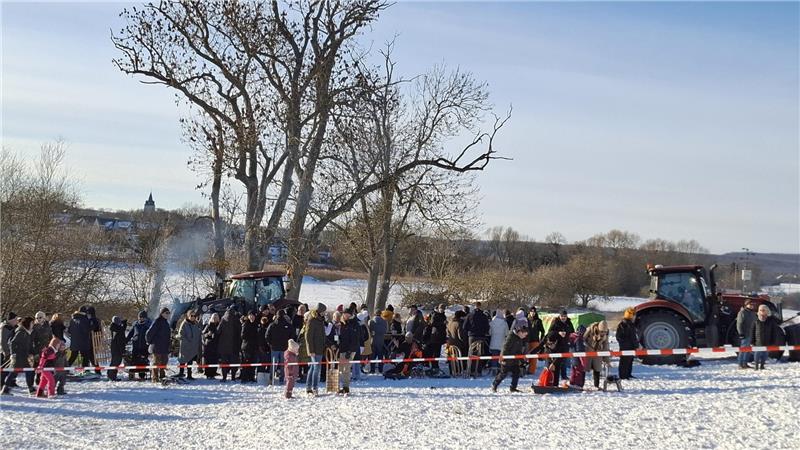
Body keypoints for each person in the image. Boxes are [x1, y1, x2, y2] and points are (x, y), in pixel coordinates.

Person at [491, 324, 528, 393]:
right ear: (520, 332)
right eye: (524, 335)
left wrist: (522, 361)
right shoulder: (511, 337)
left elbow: (519, 351)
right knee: (503, 374)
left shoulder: (519, 339)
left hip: (514, 360)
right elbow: (505, 347)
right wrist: (503, 358)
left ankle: (513, 388)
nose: (525, 336)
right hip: (507, 359)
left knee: (516, 372)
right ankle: (494, 385)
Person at [304, 303, 327, 396]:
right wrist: (311, 350)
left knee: (313, 368)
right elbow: (308, 336)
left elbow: (322, 335)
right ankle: (314, 388)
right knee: (316, 369)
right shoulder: (312, 320)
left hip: (320, 348)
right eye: (323, 311)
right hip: (314, 349)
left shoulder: (320, 321)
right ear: (320, 311)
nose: (324, 313)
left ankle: (308, 387)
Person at [10, 317, 36, 395]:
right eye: (32, 323)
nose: (33, 324)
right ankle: (5, 388)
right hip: (19, 356)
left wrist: (33, 353)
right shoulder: (21, 332)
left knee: (29, 371)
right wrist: (13, 354)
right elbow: (13, 342)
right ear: (28, 323)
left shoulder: (28, 332)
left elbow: (29, 345)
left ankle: (31, 388)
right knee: (14, 373)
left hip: (25, 356)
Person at [266, 309, 293, 384]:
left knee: (273, 364)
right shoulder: (288, 325)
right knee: (283, 364)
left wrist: (270, 344)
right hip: (284, 348)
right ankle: (281, 379)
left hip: (275, 348)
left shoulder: (272, 325)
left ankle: (271, 379)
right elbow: (292, 336)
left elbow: (267, 335)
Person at [145, 307, 172, 383]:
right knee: (156, 362)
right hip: (157, 346)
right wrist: (149, 341)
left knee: (164, 362)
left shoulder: (166, 323)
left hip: (164, 347)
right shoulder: (157, 321)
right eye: (166, 313)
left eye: (168, 313)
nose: (168, 314)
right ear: (162, 313)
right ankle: (155, 378)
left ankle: (162, 376)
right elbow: (149, 332)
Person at [464, 302, 490, 377]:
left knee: (472, 353)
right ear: (480, 306)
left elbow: (464, 326)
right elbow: (487, 327)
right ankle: (478, 370)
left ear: (474, 307)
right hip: (481, 336)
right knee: (480, 353)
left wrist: (470, 330)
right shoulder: (484, 316)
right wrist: (484, 332)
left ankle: (472, 370)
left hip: (472, 336)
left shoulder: (469, 315)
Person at [547, 310, 574, 381]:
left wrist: (569, 335)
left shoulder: (569, 323)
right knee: (556, 362)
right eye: (562, 316)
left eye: (565, 316)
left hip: (565, 344)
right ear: (559, 316)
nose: (563, 318)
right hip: (556, 346)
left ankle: (564, 376)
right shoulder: (555, 322)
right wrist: (558, 333)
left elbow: (572, 332)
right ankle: (553, 377)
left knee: (564, 361)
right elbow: (549, 333)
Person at [752, 304, 781, 370]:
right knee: (757, 353)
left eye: (763, 310)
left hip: (767, 340)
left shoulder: (770, 320)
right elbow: (752, 331)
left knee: (765, 354)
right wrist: (752, 341)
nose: (762, 311)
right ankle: (756, 366)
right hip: (758, 341)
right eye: (760, 310)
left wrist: (773, 340)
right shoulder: (755, 320)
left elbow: (774, 331)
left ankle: (762, 365)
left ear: (766, 311)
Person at [584, 320, 611, 389]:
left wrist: (607, 360)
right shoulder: (590, 329)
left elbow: (606, 345)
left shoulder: (606, 333)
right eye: (601, 331)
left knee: (597, 368)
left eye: (604, 332)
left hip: (598, 351)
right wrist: (588, 347)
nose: (603, 333)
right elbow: (583, 339)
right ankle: (581, 384)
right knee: (584, 368)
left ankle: (596, 385)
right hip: (588, 351)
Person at [217, 308, 241, 382]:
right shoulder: (236, 320)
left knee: (224, 363)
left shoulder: (223, 320)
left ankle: (224, 377)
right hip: (234, 345)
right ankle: (233, 377)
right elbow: (240, 331)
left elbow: (218, 331)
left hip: (223, 346)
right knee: (234, 362)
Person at [126, 310, 151, 380]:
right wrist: (126, 340)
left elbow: (150, 335)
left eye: (142, 317)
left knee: (143, 361)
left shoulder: (148, 325)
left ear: (145, 318)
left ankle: (142, 375)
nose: (140, 318)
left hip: (144, 346)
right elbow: (130, 334)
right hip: (135, 346)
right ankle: (132, 374)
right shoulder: (135, 325)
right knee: (134, 361)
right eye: (139, 317)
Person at [177, 311, 202, 380]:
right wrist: (187, 341)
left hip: (193, 346)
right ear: (188, 316)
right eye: (191, 316)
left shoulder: (196, 324)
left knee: (190, 361)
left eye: (194, 316)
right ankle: (181, 373)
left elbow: (198, 333)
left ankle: (189, 375)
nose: (193, 317)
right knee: (183, 360)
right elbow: (180, 335)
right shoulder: (184, 324)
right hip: (185, 346)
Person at [616, 308, 639, 379]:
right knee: (624, 362)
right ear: (631, 315)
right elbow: (632, 337)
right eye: (634, 315)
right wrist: (635, 345)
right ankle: (623, 376)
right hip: (626, 347)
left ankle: (628, 374)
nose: (635, 316)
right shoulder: (627, 325)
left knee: (629, 361)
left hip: (628, 346)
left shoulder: (626, 324)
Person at [1, 312, 19, 395]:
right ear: (10, 320)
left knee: (11, 369)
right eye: (15, 319)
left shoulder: (15, 327)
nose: (16, 321)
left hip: (13, 352)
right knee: (4, 369)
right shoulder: (5, 328)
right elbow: (3, 341)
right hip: (5, 352)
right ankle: (1, 385)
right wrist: (6, 352)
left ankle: (10, 382)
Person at [736, 300, 757, 369]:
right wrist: (741, 333)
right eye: (750, 304)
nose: (751, 306)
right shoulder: (742, 312)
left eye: (752, 304)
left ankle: (745, 363)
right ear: (746, 305)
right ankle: (740, 364)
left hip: (751, 334)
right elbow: (739, 324)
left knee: (748, 349)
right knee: (743, 349)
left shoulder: (753, 313)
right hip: (745, 333)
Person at [108, 316, 127, 381]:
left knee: (115, 362)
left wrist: (124, 324)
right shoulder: (117, 329)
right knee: (115, 362)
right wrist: (122, 351)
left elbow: (122, 330)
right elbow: (120, 341)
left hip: (115, 348)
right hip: (117, 349)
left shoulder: (115, 328)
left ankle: (112, 375)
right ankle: (111, 376)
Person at [526, 307, 545, 375]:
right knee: (526, 356)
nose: (533, 313)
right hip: (527, 340)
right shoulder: (526, 320)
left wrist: (541, 340)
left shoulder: (538, 321)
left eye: (534, 312)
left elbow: (543, 331)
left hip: (535, 340)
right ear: (529, 312)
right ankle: (524, 369)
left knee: (533, 357)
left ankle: (531, 370)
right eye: (531, 311)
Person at [202, 313, 221, 379]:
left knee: (215, 359)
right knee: (209, 360)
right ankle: (208, 373)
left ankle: (213, 372)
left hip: (216, 345)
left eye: (216, 317)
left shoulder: (219, 325)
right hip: (209, 345)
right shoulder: (208, 325)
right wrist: (208, 334)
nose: (215, 319)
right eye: (214, 317)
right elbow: (203, 334)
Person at [369, 308, 388, 373]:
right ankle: (380, 369)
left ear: (375, 313)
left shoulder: (371, 321)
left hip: (373, 340)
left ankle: (372, 370)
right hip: (381, 340)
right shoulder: (384, 321)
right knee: (380, 356)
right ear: (381, 314)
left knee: (372, 357)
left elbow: (370, 330)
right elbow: (385, 331)